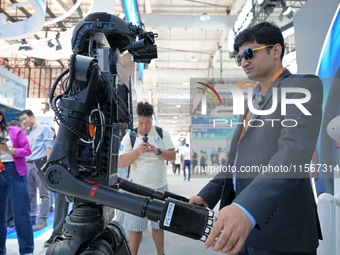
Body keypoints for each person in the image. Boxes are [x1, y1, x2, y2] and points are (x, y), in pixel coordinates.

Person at [189, 22, 323, 255]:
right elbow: (237, 162)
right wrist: (206, 196)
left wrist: (245, 208)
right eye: (239, 57)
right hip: (243, 233)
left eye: (249, 53)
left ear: (276, 51)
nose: (244, 61)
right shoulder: (255, 101)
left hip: (283, 233)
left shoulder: (302, 86)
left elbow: (292, 153)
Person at [119, 101, 175, 255]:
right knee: (135, 228)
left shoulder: (161, 133)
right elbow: (123, 162)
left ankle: (160, 254)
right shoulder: (130, 137)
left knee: (158, 226)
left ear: (152, 119)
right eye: (141, 122)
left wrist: (157, 151)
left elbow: (172, 156)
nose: (144, 126)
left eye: (148, 123)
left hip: (160, 188)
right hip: (137, 190)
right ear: (138, 120)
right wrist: (137, 151)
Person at [0, 110, 34, 255]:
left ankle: (26, 251)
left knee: (21, 213)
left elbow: (27, 150)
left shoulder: (14, 131)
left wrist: (10, 150)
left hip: (15, 171)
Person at [18, 109, 54, 231]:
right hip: (27, 164)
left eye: (25, 119)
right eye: (21, 120)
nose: (23, 121)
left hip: (40, 163)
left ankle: (42, 219)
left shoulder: (44, 128)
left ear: (32, 117)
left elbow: (49, 145)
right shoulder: (26, 132)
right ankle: (32, 218)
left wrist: (48, 162)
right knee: (30, 193)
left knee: (44, 193)